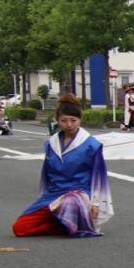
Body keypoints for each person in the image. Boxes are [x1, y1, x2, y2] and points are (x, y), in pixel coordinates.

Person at [12, 93, 113, 237]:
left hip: (78, 195)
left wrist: (96, 203)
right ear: (57, 121)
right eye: (64, 120)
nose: (69, 124)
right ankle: (68, 225)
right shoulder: (51, 144)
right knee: (20, 228)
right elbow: (46, 174)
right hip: (54, 194)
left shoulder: (92, 145)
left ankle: (72, 222)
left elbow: (99, 177)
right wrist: (44, 198)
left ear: (80, 120)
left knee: (68, 203)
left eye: (73, 120)